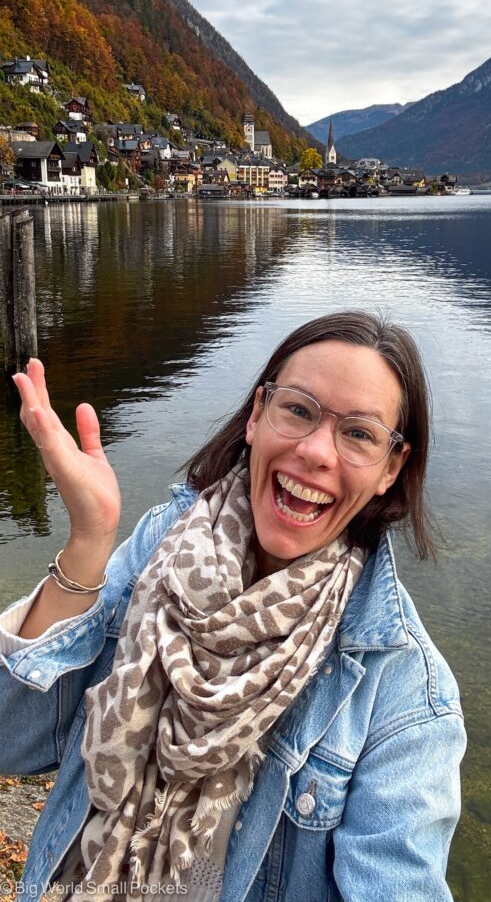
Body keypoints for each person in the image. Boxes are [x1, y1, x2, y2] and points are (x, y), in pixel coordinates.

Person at [0, 311, 465, 902]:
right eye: (298, 409)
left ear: (390, 469)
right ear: (256, 416)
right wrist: (90, 541)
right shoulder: (161, 548)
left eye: (359, 434)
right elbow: (12, 738)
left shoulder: (403, 691)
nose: (316, 451)